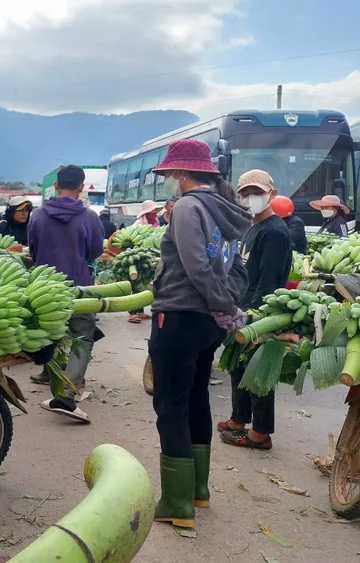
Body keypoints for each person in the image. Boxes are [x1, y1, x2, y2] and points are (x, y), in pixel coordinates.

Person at [146, 139, 251, 530]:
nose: (170, 181)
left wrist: (223, 305)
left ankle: (176, 504)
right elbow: (237, 268)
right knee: (194, 399)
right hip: (206, 323)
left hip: (179, 317)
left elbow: (195, 268)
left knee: (170, 406)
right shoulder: (225, 210)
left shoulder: (189, 207)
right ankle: (197, 491)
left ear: (182, 174)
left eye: (171, 175)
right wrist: (226, 306)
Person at [217, 170, 292, 452]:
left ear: (272, 194)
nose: (251, 198)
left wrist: (257, 322)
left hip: (259, 314)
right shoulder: (252, 226)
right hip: (243, 309)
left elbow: (269, 281)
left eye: (258, 193)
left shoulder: (274, 231)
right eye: (246, 193)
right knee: (239, 367)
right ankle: (239, 420)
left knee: (259, 373)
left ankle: (260, 433)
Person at [28, 165, 105, 422]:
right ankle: (67, 396)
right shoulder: (90, 217)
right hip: (80, 287)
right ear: (81, 187)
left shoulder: (37, 216)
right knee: (83, 337)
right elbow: (95, 252)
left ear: (56, 185)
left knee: (52, 335)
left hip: (45, 287)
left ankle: (57, 389)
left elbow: (33, 252)